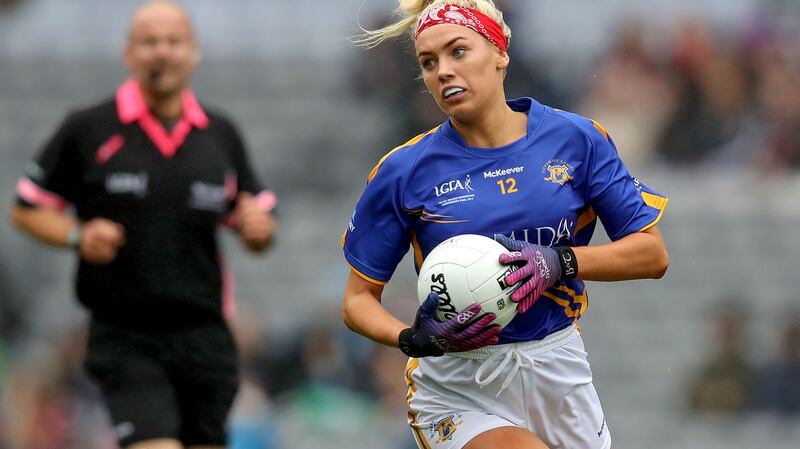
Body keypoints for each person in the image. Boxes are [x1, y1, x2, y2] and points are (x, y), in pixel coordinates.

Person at [341, 1, 669, 448]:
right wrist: (409, 336)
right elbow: (358, 301)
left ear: (500, 51)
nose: (443, 72)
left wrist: (559, 261)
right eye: (428, 62)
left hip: (559, 368)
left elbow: (652, 255)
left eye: (458, 51)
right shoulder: (404, 170)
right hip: (459, 383)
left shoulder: (577, 139)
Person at [9, 1, 277, 448]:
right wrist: (77, 235)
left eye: (174, 41)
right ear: (128, 54)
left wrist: (260, 230)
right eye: (149, 42)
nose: (162, 52)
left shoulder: (220, 133)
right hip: (126, 335)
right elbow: (26, 208)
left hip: (205, 337)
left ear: (194, 52)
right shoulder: (89, 128)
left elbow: (259, 225)